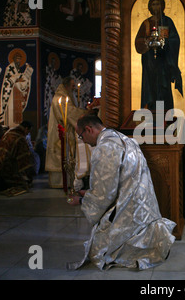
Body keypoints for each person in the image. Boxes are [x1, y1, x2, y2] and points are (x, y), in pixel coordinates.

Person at [66, 114, 176, 270]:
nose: (82, 140)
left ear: (88, 129)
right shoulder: (124, 139)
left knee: (98, 250)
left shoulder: (105, 148)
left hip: (128, 210)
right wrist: (89, 193)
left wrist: (83, 201)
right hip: (145, 208)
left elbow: (105, 194)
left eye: (81, 136)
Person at [135, 0, 183, 110]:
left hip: (164, 59)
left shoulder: (167, 21)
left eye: (158, 4)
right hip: (149, 60)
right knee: (150, 86)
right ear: (149, 7)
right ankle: (150, 107)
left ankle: (165, 110)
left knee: (163, 85)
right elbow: (138, 40)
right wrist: (148, 41)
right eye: (153, 4)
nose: (156, 7)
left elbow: (175, 39)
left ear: (163, 6)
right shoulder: (146, 23)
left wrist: (165, 41)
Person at [45, 76, 88, 188]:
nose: (74, 88)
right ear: (67, 85)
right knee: (61, 155)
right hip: (60, 133)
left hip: (65, 130)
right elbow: (70, 113)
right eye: (73, 86)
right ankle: (61, 182)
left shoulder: (65, 96)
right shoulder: (61, 98)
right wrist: (86, 113)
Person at [0, 121, 35, 195]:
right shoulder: (20, 138)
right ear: (26, 128)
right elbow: (24, 159)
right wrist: (29, 176)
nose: (28, 133)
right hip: (7, 168)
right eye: (28, 131)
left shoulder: (8, 133)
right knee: (24, 182)